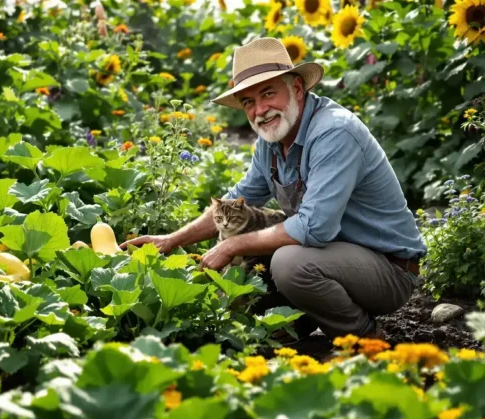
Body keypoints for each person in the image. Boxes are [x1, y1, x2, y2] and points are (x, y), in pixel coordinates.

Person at [120, 37, 426, 341]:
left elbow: (314, 228)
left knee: (287, 263)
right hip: (335, 260)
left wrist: (231, 246)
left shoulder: (334, 132)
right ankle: (299, 325)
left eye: (268, 94)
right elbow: (235, 198)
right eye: (249, 102)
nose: (260, 110)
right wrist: (171, 240)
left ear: (296, 88)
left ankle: (364, 337)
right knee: (251, 286)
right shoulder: (271, 142)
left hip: (389, 270)